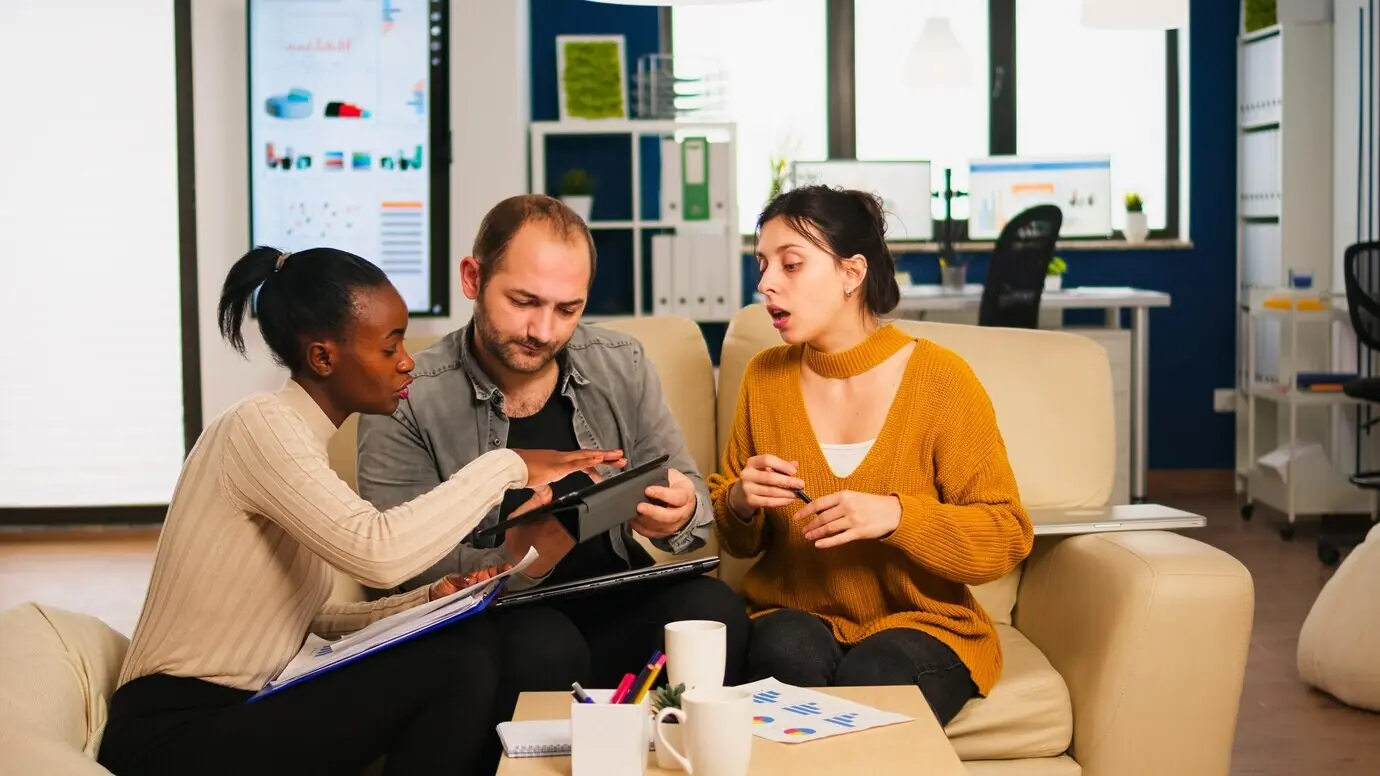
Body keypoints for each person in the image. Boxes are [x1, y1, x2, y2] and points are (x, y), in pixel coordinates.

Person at [96, 247, 622, 776]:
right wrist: (506, 466)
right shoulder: (259, 426)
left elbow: (306, 622)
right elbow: (380, 553)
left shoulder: (297, 444)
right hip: (171, 735)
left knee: (463, 639)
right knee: (454, 664)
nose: (406, 360)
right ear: (323, 358)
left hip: (239, 709)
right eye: (389, 345)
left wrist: (427, 603)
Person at [355, 194, 750, 712]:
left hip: (612, 597)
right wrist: (514, 560)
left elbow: (693, 503)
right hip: (499, 616)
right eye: (523, 302)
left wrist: (680, 513)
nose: (544, 332)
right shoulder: (408, 394)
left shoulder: (620, 363)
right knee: (544, 646)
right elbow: (399, 567)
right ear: (473, 278)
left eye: (569, 309)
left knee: (712, 609)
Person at [707, 185, 1034, 727]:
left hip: (922, 624)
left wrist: (898, 516)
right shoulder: (764, 377)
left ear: (851, 273)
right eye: (762, 265)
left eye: (791, 264)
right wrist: (741, 500)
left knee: (876, 673)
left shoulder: (940, 379)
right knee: (785, 648)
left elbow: (1004, 536)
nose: (765, 283)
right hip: (793, 612)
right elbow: (742, 543)